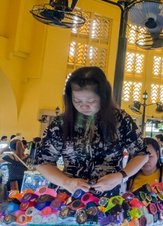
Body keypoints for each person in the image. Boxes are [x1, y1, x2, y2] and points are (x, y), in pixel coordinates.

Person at [34, 66, 148, 196]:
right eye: (77, 101)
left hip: (109, 199)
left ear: (103, 97)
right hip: (71, 196)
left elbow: (142, 154)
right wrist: (66, 182)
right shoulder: (61, 123)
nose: (83, 106)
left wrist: (121, 175)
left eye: (91, 101)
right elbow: (42, 161)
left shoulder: (120, 119)